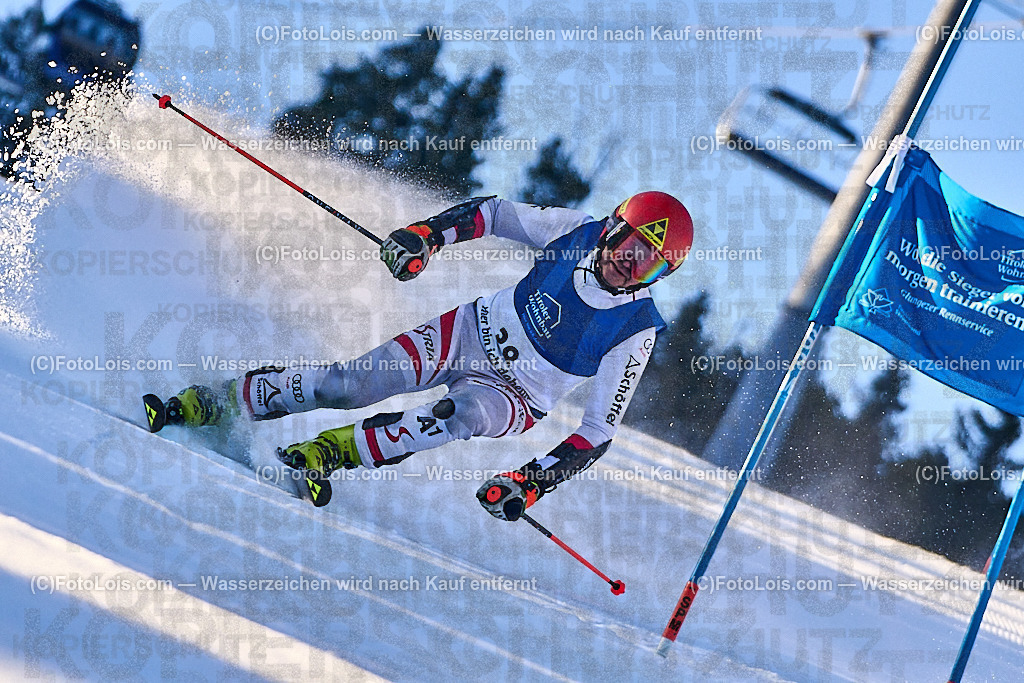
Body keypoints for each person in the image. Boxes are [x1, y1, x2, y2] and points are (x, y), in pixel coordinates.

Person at [162, 192, 693, 520]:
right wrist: (427, 235)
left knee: (451, 418)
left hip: (515, 396)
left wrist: (532, 482)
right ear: (613, 228)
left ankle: (329, 453)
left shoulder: (636, 328)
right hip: (469, 330)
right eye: (633, 247)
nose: (632, 267)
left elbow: (599, 430)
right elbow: (492, 214)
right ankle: (223, 399)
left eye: (651, 266)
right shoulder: (574, 230)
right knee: (350, 385)